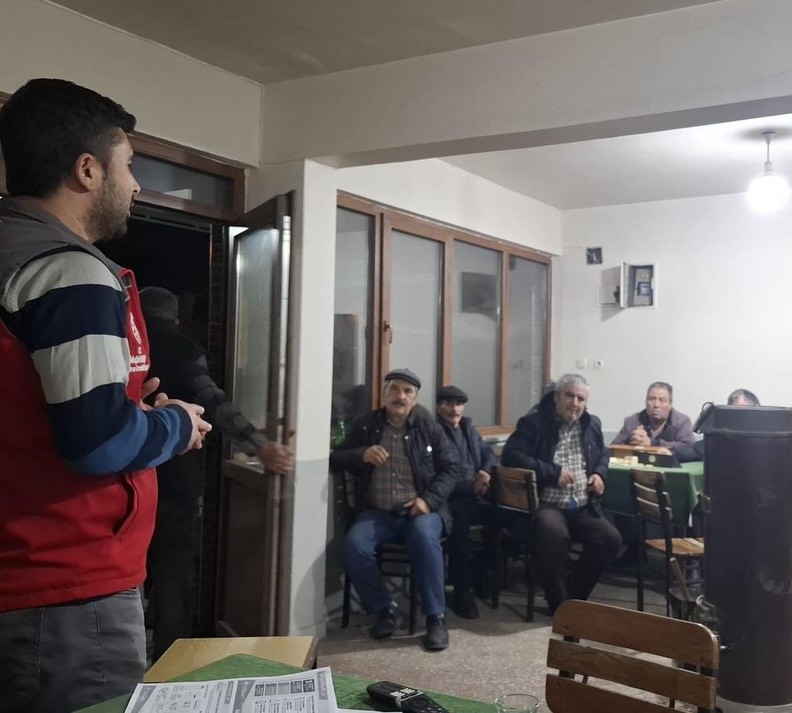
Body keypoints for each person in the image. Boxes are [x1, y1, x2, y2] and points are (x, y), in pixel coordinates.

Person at [0, 78, 211, 712]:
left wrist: (126, 411)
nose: (136, 185)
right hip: (63, 586)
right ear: (87, 170)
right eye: (130, 165)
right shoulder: (69, 271)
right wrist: (176, 425)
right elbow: (97, 443)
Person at [138, 286, 295, 660]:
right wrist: (259, 445)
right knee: (174, 577)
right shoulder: (185, 348)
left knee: (126, 576)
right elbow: (213, 401)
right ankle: (170, 666)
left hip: (127, 479)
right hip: (175, 484)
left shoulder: (127, 345)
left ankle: (127, 661)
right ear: (176, 318)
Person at [330, 369, 460, 651]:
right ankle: (384, 609)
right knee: (353, 546)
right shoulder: (365, 424)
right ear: (384, 393)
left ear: (415, 398)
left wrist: (427, 500)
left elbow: (452, 468)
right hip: (378, 512)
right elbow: (336, 458)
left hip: (422, 510)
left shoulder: (428, 427)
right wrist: (362, 454)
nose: (400, 396)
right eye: (394, 389)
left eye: (407, 391)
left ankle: (436, 619)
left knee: (424, 538)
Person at [501, 373, 622, 614]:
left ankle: (572, 599)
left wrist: (599, 474)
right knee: (554, 535)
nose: (575, 403)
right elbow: (511, 456)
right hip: (547, 503)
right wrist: (552, 472)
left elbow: (604, 454)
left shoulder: (591, 423)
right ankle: (558, 604)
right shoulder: (533, 423)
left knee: (610, 540)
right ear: (557, 396)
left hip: (582, 503)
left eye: (581, 399)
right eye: (569, 396)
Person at [435, 385, 497, 619]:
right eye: (449, 404)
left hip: (475, 496)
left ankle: (481, 572)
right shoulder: (433, 432)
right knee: (459, 525)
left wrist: (485, 471)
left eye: (459, 404)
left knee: (507, 516)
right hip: (448, 500)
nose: (455, 409)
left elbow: (488, 453)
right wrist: (471, 487)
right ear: (439, 407)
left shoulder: (468, 428)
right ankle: (462, 591)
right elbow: (435, 475)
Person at [725, 389, 792, 488]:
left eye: (743, 412)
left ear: (757, 409)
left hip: (772, 495)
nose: (740, 418)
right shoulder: (722, 437)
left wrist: (778, 480)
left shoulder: (778, 433)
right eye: (734, 413)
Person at [612, 381, 695, 451]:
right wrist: (631, 440)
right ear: (646, 401)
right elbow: (613, 448)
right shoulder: (633, 421)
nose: (656, 405)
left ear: (670, 404)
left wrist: (653, 443)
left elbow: (690, 448)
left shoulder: (682, 422)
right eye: (652, 399)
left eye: (662, 400)